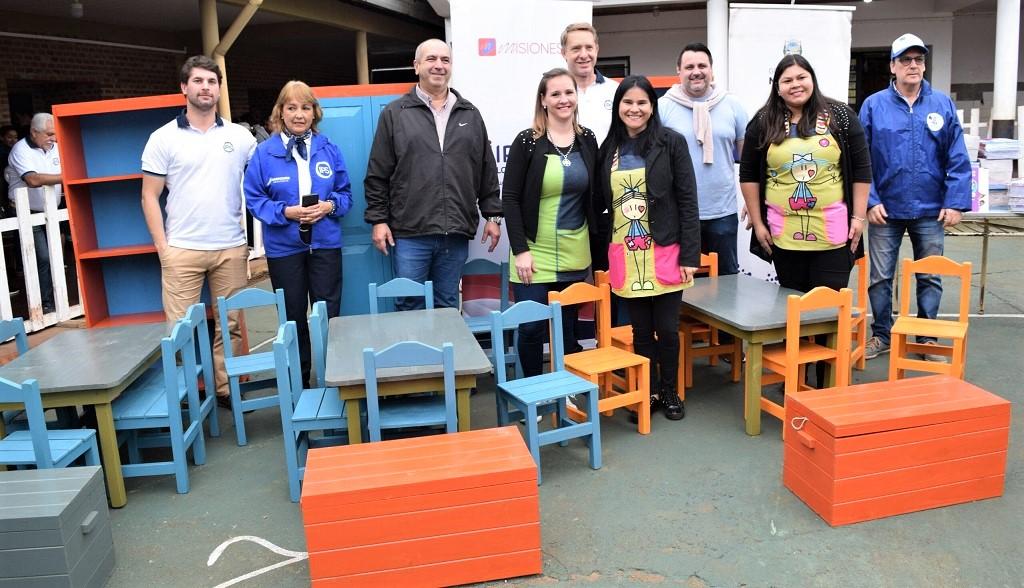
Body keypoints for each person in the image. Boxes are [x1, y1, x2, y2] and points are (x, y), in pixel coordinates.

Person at [739, 55, 872, 385]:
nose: (795, 84)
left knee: (827, 315)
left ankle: (826, 385)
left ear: (812, 79)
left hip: (835, 236)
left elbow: (862, 169)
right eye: (787, 80)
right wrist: (758, 222)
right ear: (778, 87)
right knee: (793, 313)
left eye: (801, 77)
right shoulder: (764, 121)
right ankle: (794, 381)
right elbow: (749, 175)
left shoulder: (840, 115)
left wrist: (858, 217)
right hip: (785, 238)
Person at [141, 55, 256, 408]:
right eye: (198, 81)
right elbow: (149, 195)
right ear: (184, 88)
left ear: (219, 89)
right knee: (180, 332)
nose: (206, 87)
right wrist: (164, 249)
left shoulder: (240, 137)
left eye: (212, 81)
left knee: (231, 325)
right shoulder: (162, 138)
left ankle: (227, 391)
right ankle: (186, 397)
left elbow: (261, 185)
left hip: (230, 248)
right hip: (182, 249)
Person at [364, 38, 502, 311]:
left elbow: (486, 168)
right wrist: (378, 220)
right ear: (416, 66)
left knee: (448, 304)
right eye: (431, 59)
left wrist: (492, 215)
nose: (439, 65)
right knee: (409, 303)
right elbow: (378, 173)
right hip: (410, 233)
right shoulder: (395, 113)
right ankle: (414, 356)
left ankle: (444, 356)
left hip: (456, 232)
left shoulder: (470, 114)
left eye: (445, 60)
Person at [858, 33, 971, 362]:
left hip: (930, 209)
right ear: (892, 66)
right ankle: (881, 335)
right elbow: (861, 158)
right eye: (905, 60)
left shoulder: (941, 104)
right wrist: (870, 200)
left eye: (918, 59)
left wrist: (955, 202)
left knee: (930, 275)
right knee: (880, 277)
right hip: (885, 209)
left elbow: (957, 156)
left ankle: (927, 338)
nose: (912, 65)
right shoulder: (874, 106)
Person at [596, 75, 700, 421]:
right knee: (640, 331)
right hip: (625, 251)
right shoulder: (607, 148)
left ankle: (670, 390)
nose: (634, 108)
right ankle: (650, 391)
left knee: (668, 328)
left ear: (652, 107)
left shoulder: (671, 143)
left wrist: (690, 255)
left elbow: (687, 200)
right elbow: (600, 204)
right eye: (628, 102)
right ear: (618, 107)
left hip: (667, 248)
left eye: (642, 102)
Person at [243, 80, 352, 387]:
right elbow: (254, 199)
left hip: (325, 245)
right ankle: (300, 385)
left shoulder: (329, 149)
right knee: (293, 318)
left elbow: (346, 195)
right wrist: (285, 212)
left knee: (329, 316)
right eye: (291, 107)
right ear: (281, 112)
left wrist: (329, 206)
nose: (299, 114)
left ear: (314, 113)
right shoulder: (264, 154)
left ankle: (335, 381)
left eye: (305, 107)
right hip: (285, 249)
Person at [502, 68, 600, 377]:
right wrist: (520, 250)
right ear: (543, 100)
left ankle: (568, 390)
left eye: (568, 92)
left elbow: (596, 196)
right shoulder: (527, 142)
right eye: (555, 94)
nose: (563, 99)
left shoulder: (588, 139)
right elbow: (511, 198)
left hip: (575, 251)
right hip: (533, 252)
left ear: (576, 96)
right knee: (531, 327)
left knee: (568, 328)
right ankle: (533, 393)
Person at [659, 42, 748, 277]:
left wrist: (752, 198)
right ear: (678, 70)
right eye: (689, 66)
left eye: (702, 65)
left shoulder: (732, 105)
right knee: (683, 284)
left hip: (723, 211)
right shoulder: (663, 108)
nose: (696, 71)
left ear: (711, 69)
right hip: (679, 213)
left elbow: (748, 159)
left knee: (727, 282)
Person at [6, 113, 62, 313]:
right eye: (48, 134)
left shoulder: (55, 146)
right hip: (27, 213)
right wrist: (66, 177)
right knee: (42, 258)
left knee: (57, 256)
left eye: (55, 134)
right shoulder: (20, 150)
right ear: (33, 132)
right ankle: (45, 305)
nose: (53, 139)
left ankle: (58, 300)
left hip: (53, 211)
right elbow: (33, 180)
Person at [561, 22, 618, 146]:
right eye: (576, 49)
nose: (583, 55)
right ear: (564, 53)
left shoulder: (615, 90)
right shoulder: (556, 95)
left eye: (589, 47)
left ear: (596, 50)